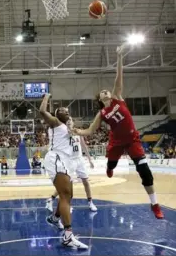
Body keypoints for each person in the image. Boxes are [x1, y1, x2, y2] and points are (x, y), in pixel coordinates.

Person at [73, 45, 164, 219]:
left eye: (107, 90)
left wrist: (120, 57)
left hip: (133, 141)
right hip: (116, 143)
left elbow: (118, 78)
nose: (106, 91)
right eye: (102, 92)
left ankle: (155, 204)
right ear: (100, 99)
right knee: (111, 166)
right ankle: (109, 167)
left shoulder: (118, 99)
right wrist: (76, 130)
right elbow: (90, 131)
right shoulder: (102, 113)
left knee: (145, 172)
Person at [39, 94, 88, 249]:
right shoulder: (55, 122)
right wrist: (46, 97)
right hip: (56, 158)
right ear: (56, 114)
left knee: (68, 195)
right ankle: (67, 236)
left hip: (65, 161)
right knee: (65, 195)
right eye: (62, 110)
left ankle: (55, 217)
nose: (66, 112)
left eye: (67, 111)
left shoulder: (68, 128)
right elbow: (41, 111)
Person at [46, 116, 97, 213]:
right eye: (67, 120)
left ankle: (90, 202)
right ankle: (54, 200)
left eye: (71, 120)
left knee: (86, 181)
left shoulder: (78, 132)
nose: (69, 121)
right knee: (67, 185)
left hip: (79, 159)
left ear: (73, 122)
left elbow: (84, 146)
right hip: (69, 160)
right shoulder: (63, 133)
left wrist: (89, 159)